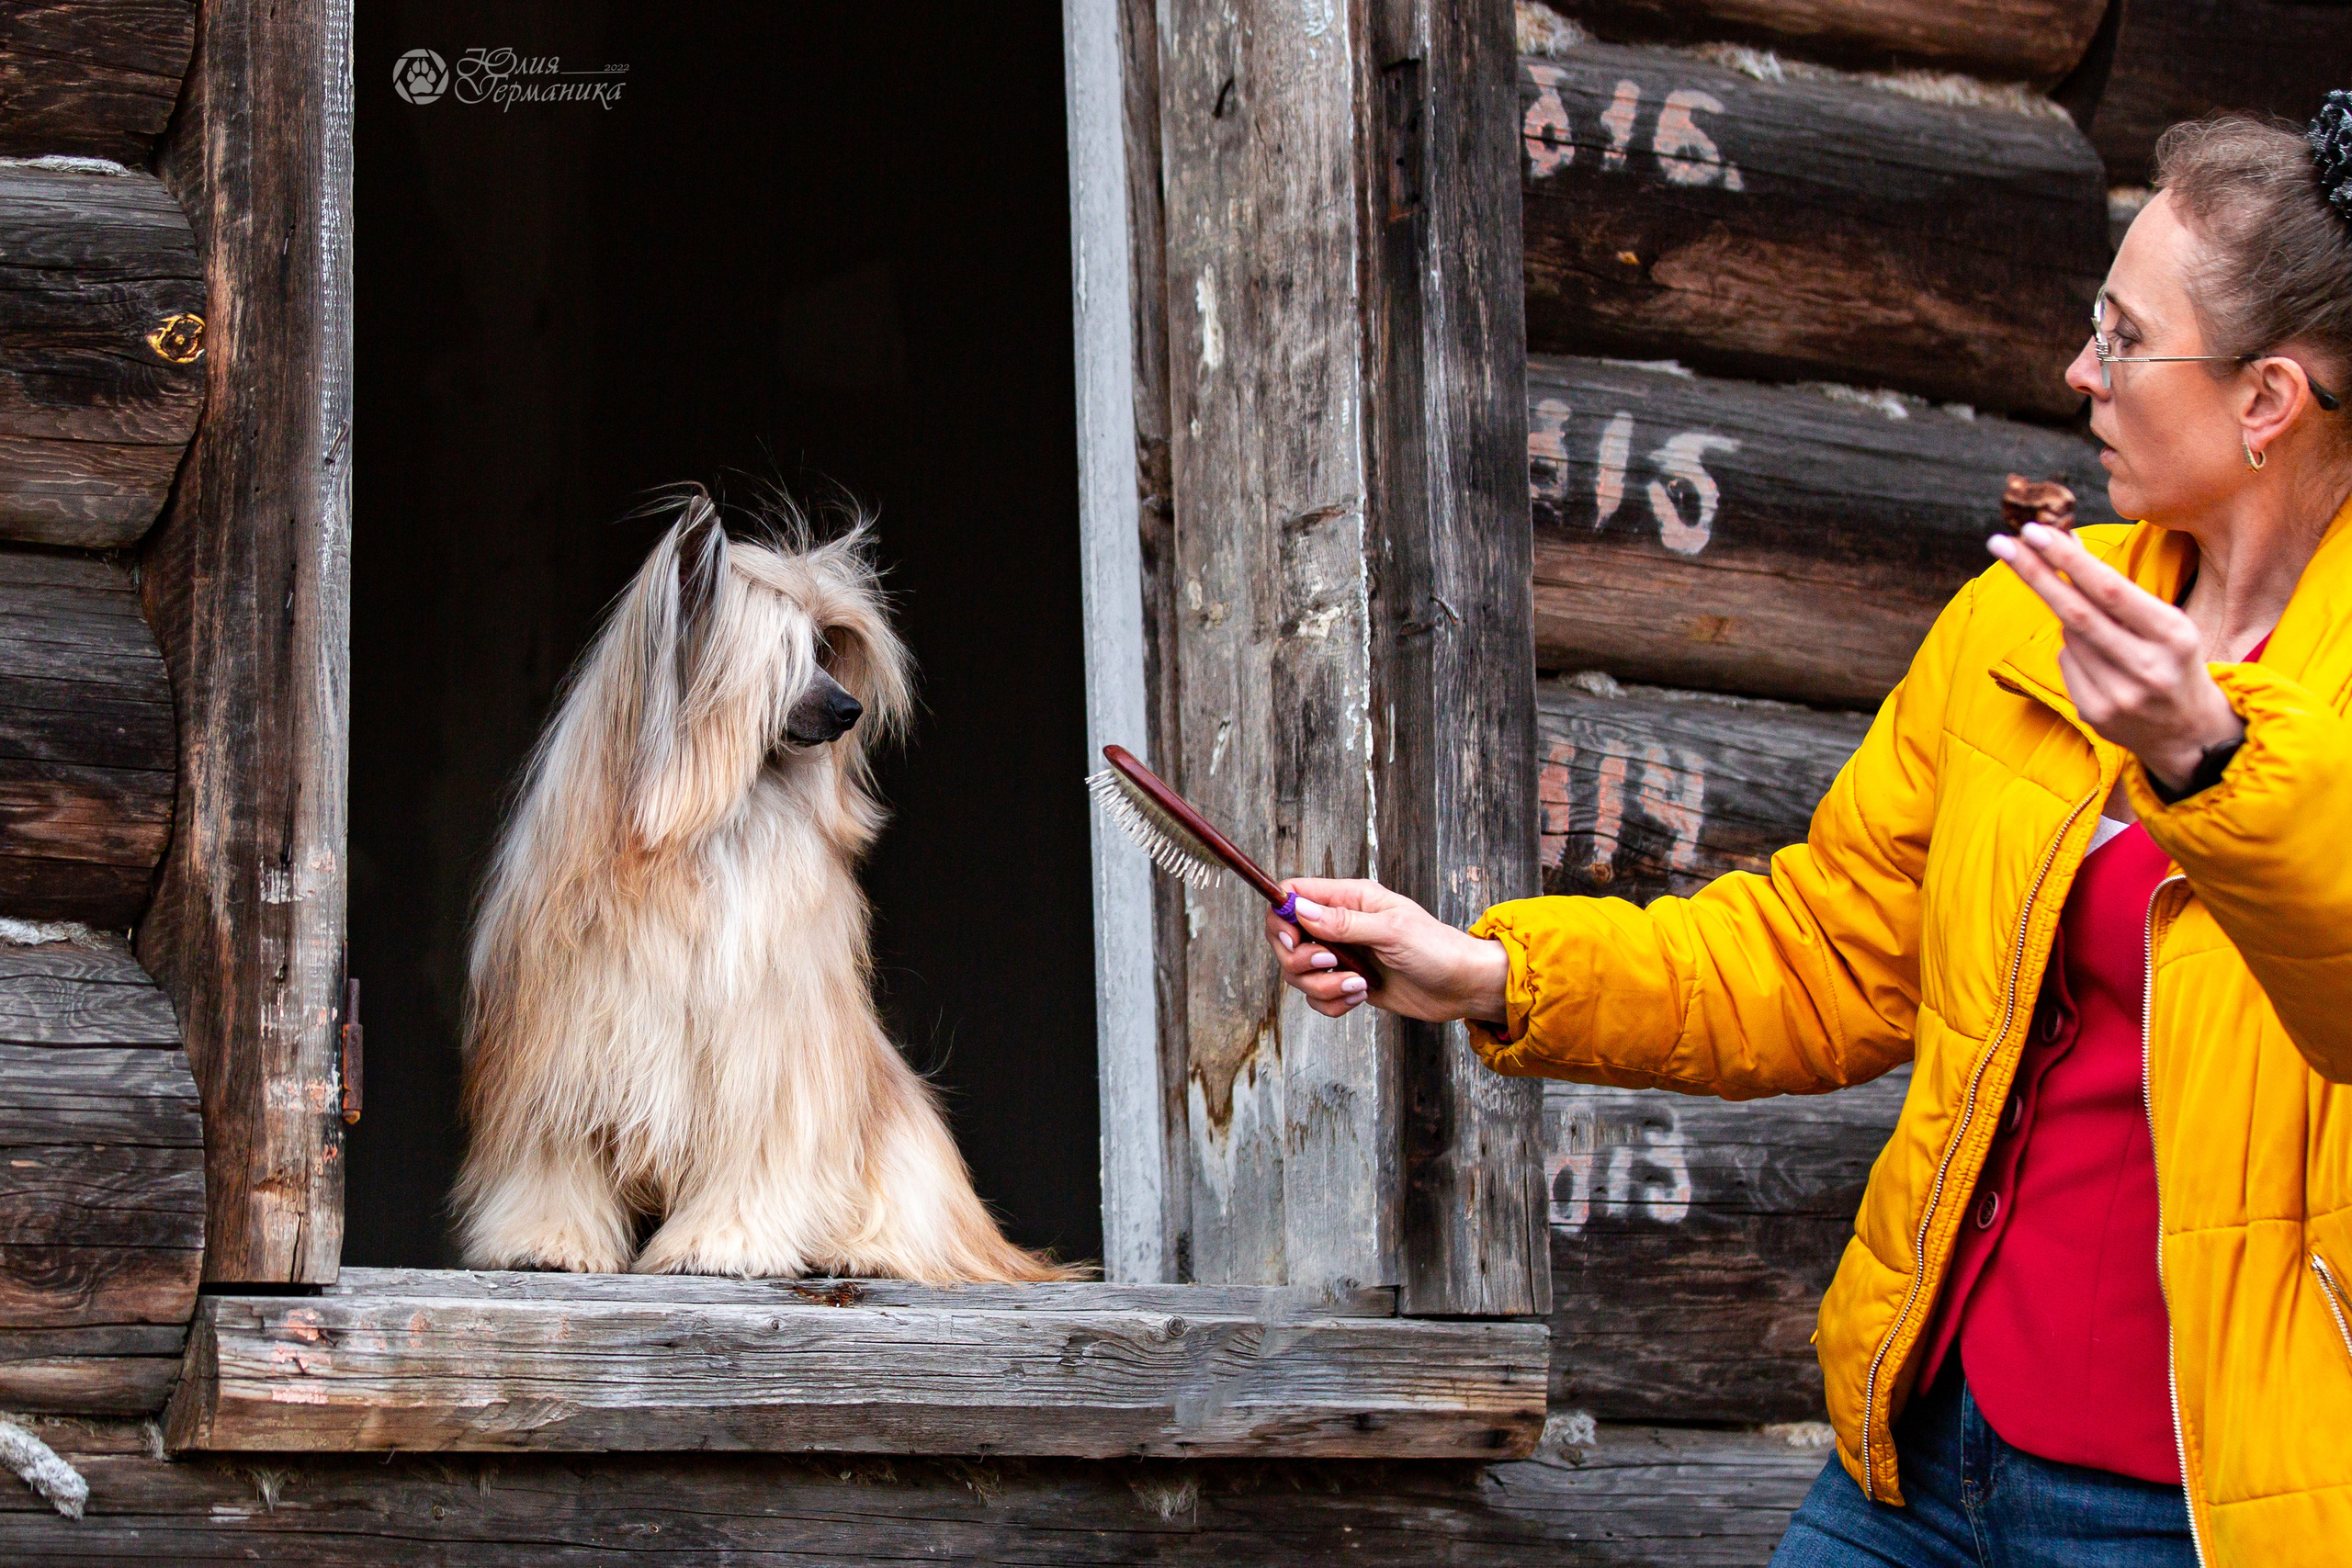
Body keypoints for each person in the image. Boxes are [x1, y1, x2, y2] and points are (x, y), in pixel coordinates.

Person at [1264, 101, 2352, 1567]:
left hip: (2203, 1508)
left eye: (2124, 333)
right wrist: (1490, 974)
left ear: (2269, 399)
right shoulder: (2034, 618)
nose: (2080, 368)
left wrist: (2209, 764)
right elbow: (1828, 952)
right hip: (1925, 1452)